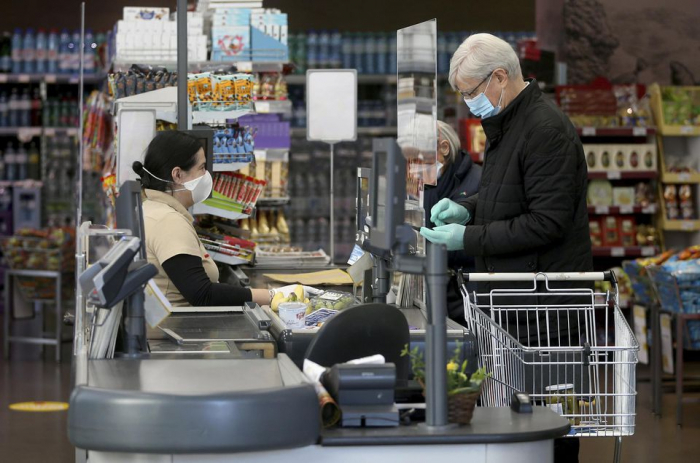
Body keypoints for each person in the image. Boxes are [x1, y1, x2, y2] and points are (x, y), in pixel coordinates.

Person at [420, 34, 592, 463]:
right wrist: (466, 209)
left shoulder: (546, 130)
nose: (467, 102)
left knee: (549, 431)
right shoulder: (507, 125)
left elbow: (546, 222)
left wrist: (468, 238)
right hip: (516, 307)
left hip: (548, 314)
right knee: (514, 428)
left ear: (499, 77)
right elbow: (506, 196)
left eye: (471, 92)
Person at [132, 131, 273, 308]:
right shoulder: (167, 221)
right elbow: (201, 293)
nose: (207, 175)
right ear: (177, 175)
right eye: (202, 167)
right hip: (175, 330)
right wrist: (271, 296)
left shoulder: (152, 208)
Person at [423, 121, 481, 323]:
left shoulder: (478, 181)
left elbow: (487, 239)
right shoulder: (426, 184)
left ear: (444, 148)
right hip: (435, 291)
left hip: (469, 296)